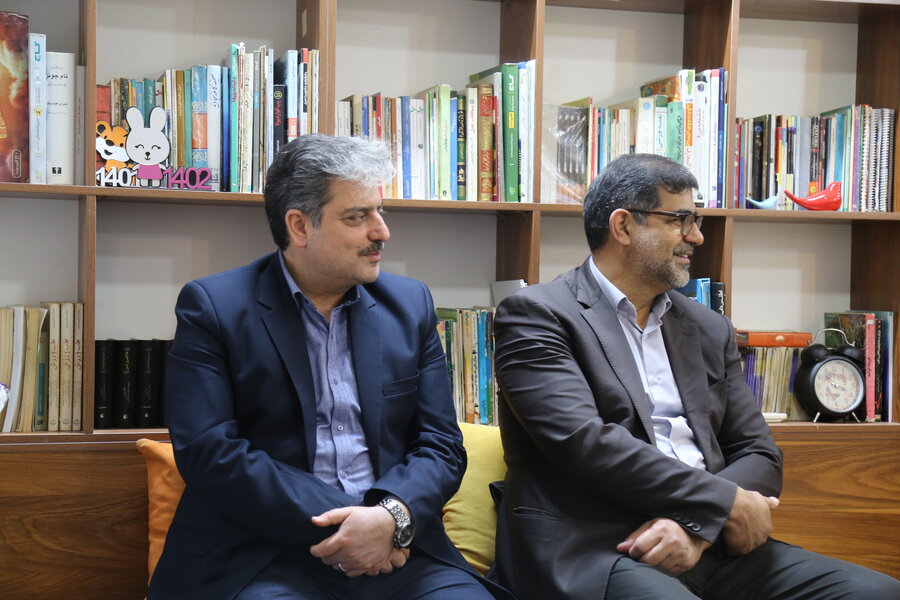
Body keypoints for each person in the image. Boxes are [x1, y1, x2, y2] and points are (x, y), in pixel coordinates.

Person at [490, 153, 900, 600]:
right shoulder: (537, 315)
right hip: (594, 546)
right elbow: (585, 444)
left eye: (697, 220)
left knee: (877, 592)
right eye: (680, 220)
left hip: (710, 542)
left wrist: (698, 527)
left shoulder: (708, 327)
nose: (697, 236)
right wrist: (724, 503)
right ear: (623, 226)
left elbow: (758, 450)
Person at [148, 134, 509, 600]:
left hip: (399, 550)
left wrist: (389, 518)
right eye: (358, 217)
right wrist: (355, 524)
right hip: (263, 555)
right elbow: (211, 454)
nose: (382, 232)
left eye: (379, 211)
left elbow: (441, 445)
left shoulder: (409, 304)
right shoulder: (214, 308)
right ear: (299, 226)